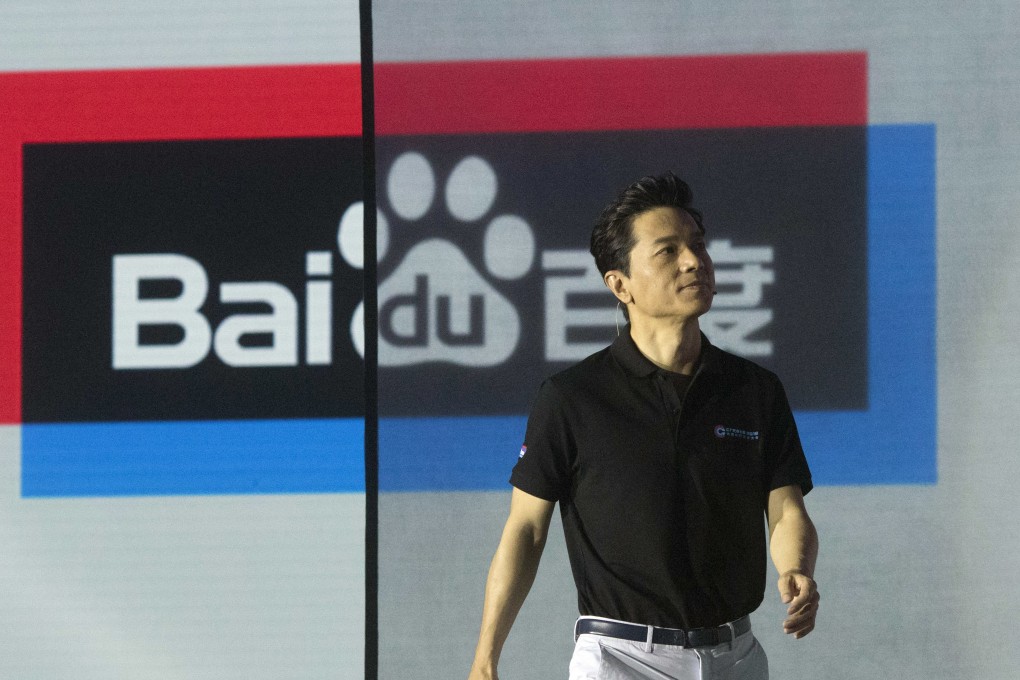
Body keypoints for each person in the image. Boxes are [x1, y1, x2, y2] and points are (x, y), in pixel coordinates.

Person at [467, 172, 819, 680]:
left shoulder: (754, 391)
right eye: (667, 251)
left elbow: (785, 508)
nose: (694, 261)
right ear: (620, 284)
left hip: (734, 656)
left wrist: (797, 569)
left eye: (698, 246)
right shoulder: (572, 398)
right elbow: (526, 529)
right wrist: (485, 659)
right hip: (621, 658)